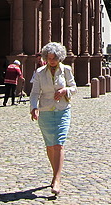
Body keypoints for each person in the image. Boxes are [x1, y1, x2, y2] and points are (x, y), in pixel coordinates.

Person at [30, 42, 77, 196]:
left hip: (62, 110)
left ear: (59, 58)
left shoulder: (67, 70)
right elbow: (35, 92)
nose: (51, 61)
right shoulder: (39, 72)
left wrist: (65, 90)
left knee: (59, 144)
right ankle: (54, 173)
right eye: (49, 58)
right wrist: (34, 107)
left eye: (54, 58)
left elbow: (74, 87)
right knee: (50, 145)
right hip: (45, 111)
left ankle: (57, 179)